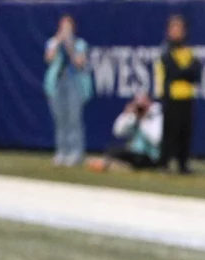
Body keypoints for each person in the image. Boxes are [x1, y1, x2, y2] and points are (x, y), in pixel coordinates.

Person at [154, 13, 202, 175]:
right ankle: (164, 162)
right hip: (171, 96)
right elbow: (173, 72)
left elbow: (195, 73)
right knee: (170, 131)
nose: (177, 32)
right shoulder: (166, 52)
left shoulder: (189, 52)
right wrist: (185, 72)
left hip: (187, 96)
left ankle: (183, 163)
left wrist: (184, 73)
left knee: (185, 131)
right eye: (174, 28)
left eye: (179, 28)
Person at [42, 13, 91, 166]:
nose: (65, 30)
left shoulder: (80, 44)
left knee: (73, 118)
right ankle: (61, 151)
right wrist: (58, 42)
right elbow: (48, 58)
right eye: (63, 27)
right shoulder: (52, 42)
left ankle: (75, 152)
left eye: (68, 27)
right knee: (60, 119)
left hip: (74, 82)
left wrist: (69, 46)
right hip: (57, 82)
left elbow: (79, 63)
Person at [87, 92, 164, 172]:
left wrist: (144, 120)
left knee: (127, 157)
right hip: (134, 153)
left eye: (143, 103)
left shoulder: (157, 116)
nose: (140, 107)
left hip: (151, 156)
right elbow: (117, 132)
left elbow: (156, 140)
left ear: (149, 102)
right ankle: (107, 165)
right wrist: (126, 115)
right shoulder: (135, 116)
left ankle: (108, 165)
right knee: (112, 149)